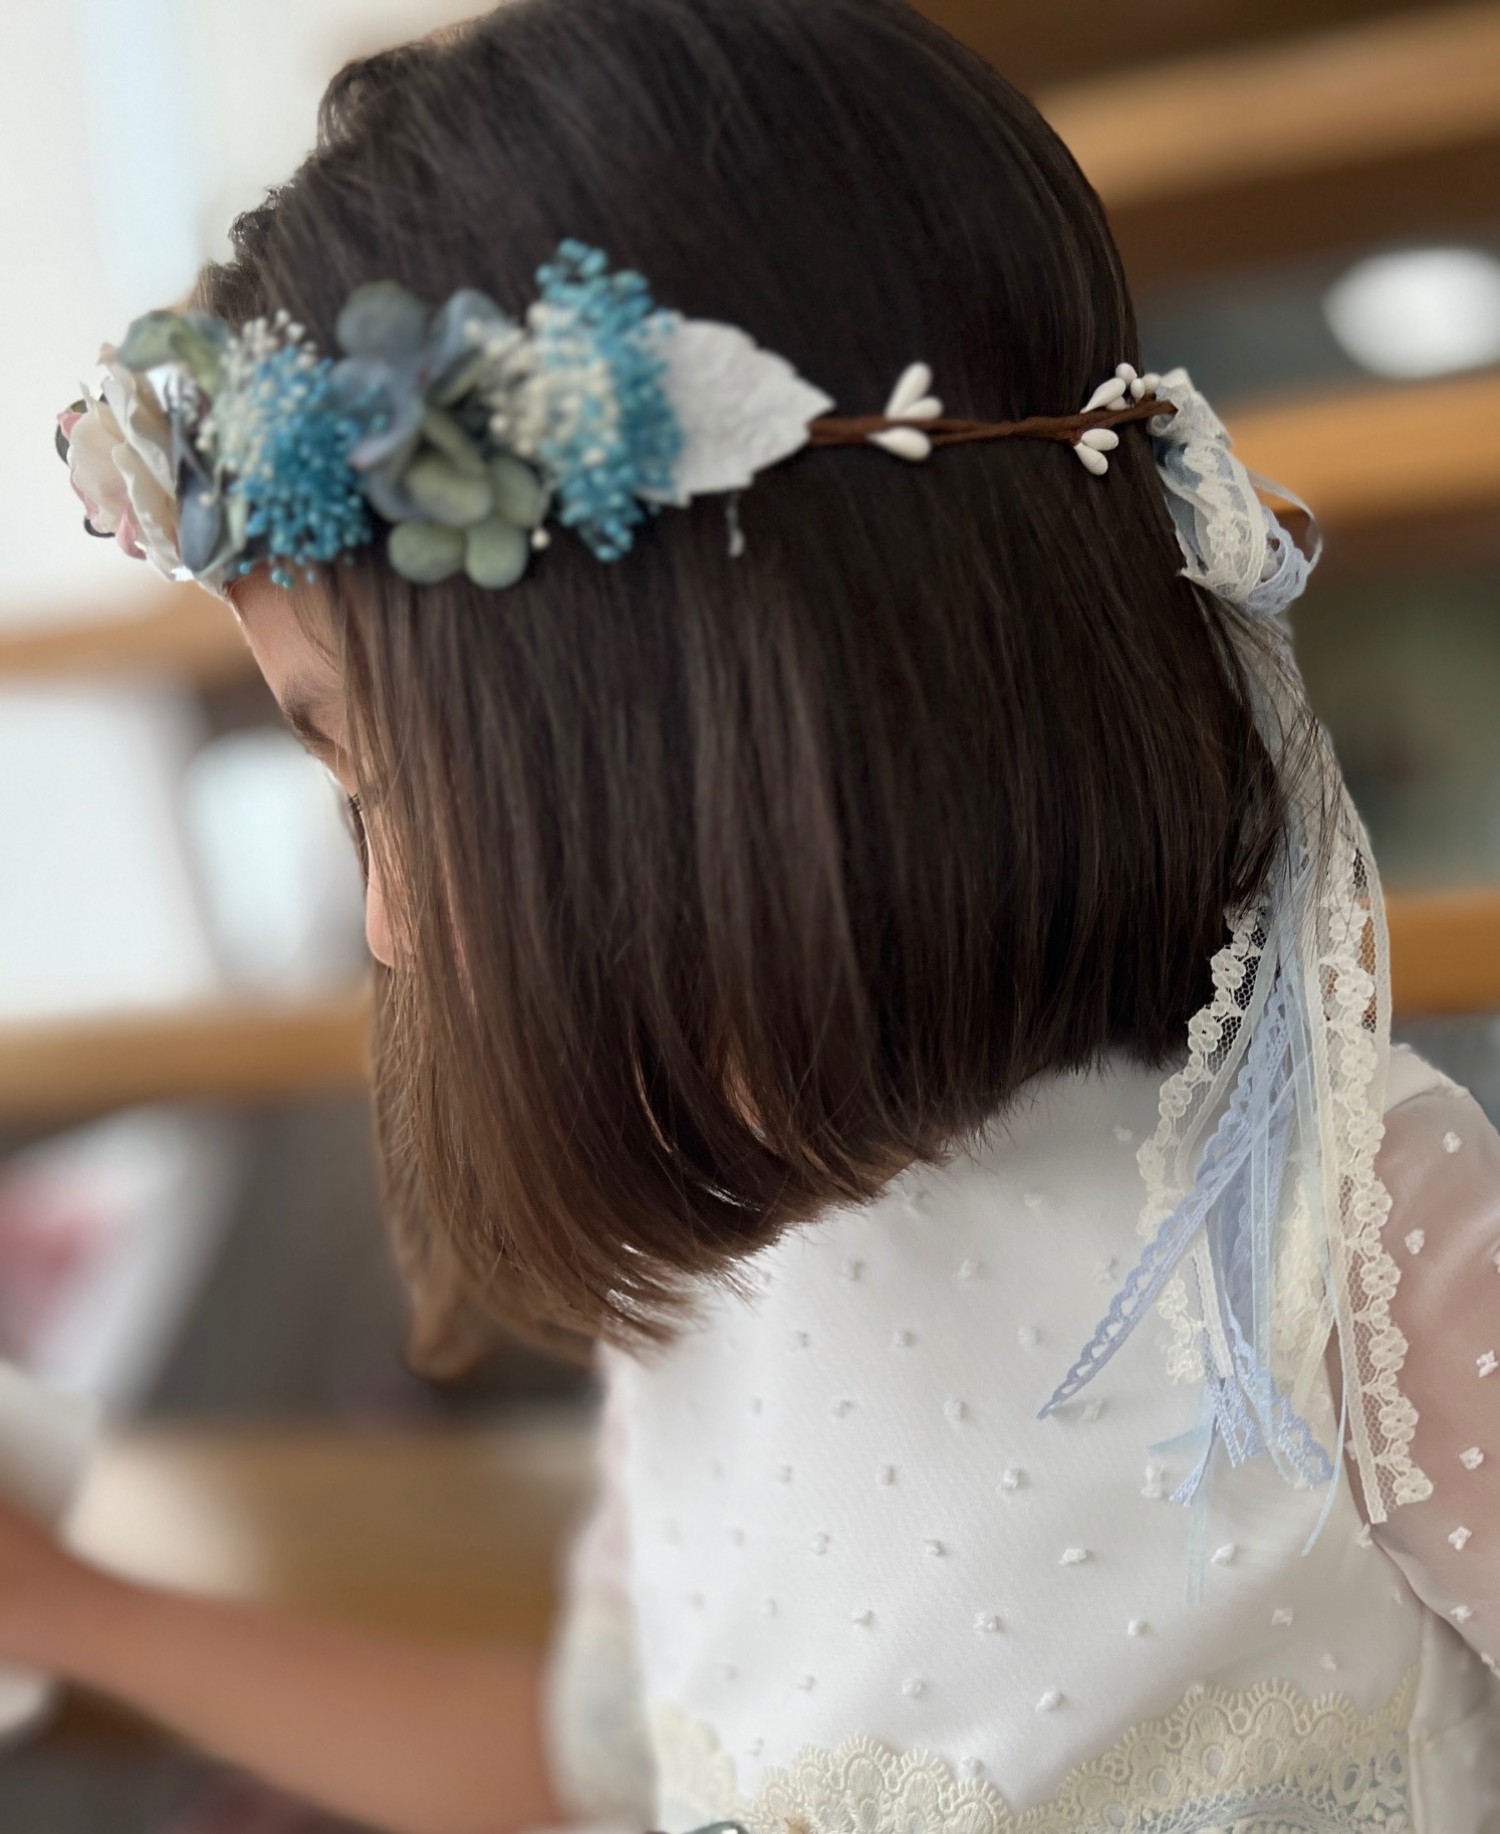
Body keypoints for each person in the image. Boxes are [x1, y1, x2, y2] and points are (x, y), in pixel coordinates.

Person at [33, 1, 1500, 1829]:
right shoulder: (719, 1256)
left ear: (721, 715)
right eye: (350, 804)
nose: (386, 926)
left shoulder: (1343, 1258)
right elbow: (596, 1784)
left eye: (390, 783)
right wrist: (71, 1606)